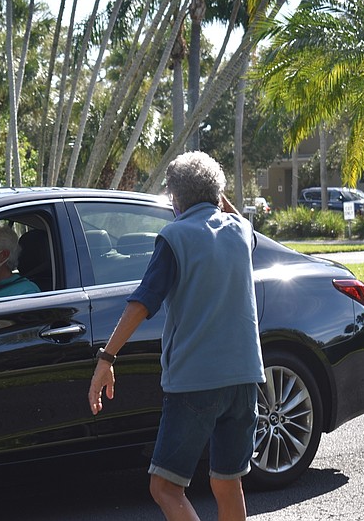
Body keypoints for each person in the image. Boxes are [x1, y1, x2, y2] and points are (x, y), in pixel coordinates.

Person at [88, 151, 265, 521]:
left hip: (194, 382)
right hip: (245, 379)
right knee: (228, 483)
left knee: (165, 488)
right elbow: (232, 215)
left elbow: (142, 302)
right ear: (218, 194)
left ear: (174, 197)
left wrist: (107, 358)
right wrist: (214, 195)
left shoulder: (174, 237)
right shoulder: (240, 231)